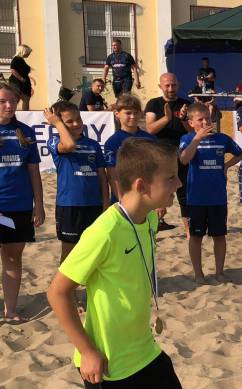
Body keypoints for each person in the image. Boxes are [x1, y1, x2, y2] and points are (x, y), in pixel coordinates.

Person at [46, 138, 189, 389]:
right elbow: (57, 292)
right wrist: (88, 351)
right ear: (142, 185)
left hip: (143, 347)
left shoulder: (149, 219)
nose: (178, 184)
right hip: (107, 359)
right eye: (170, 178)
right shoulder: (104, 230)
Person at [178, 103, 242, 284]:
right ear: (191, 122)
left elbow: (240, 154)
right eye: (200, 119)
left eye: (208, 118)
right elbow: (184, 159)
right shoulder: (187, 138)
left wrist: (226, 166)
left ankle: (219, 272)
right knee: (196, 237)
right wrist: (197, 139)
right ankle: (198, 274)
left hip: (218, 197)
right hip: (196, 198)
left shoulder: (222, 138)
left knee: (219, 236)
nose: (205, 122)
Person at [44, 102, 109, 262]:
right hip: (69, 204)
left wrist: (105, 202)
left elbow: (102, 176)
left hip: (93, 204)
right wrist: (57, 122)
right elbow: (69, 145)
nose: (76, 124)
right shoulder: (54, 141)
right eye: (69, 121)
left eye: (78, 119)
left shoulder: (93, 144)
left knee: (92, 251)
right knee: (69, 254)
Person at [0, 83, 44, 322]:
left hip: (18, 206)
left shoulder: (25, 132)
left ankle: (10, 310)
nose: (9, 106)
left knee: (12, 258)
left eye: (13, 101)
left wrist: (39, 204)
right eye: (3, 101)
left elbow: (34, 171)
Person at [145, 73, 192, 232]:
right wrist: (166, 118)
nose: (171, 88)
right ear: (160, 86)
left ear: (178, 85)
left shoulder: (186, 104)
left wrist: (184, 119)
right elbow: (150, 129)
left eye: (173, 85)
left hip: (182, 155)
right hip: (160, 156)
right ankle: (156, 225)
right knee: (159, 194)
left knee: (184, 194)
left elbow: (192, 132)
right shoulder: (153, 104)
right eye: (167, 85)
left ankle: (189, 232)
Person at [104, 95, 156, 201]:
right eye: (128, 113)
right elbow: (112, 175)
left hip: (147, 197)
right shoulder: (112, 142)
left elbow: (157, 171)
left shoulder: (150, 139)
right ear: (117, 114)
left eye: (136, 113)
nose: (133, 116)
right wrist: (121, 199)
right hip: (125, 197)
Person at [9, 45, 34, 110]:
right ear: (24, 51)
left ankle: (25, 114)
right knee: (15, 99)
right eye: (28, 52)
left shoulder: (21, 60)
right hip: (17, 83)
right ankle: (10, 113)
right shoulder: (16, 59)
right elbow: (13, 70)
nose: (29, 54)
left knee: (26, 99)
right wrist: (20, 78)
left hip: (24, 84)